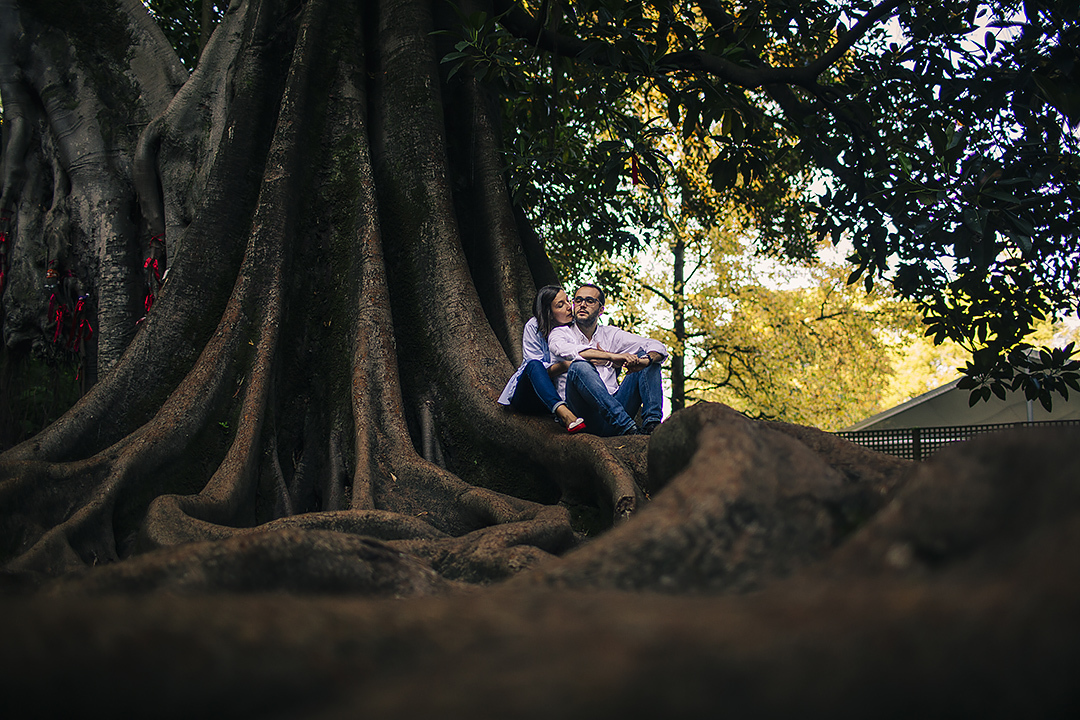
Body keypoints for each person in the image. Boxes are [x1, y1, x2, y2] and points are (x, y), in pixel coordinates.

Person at [548, 283, 666, 436]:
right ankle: (629, 429)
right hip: (583, 415)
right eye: (578, 300)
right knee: (579, 366)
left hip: (617, 404)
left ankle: (652, 426)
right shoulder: (560, 333)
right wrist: (611, 357)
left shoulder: (611, 334)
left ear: (601, 310)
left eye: (589, 301)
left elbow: (657, 346)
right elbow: (566, 350)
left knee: (648, 356)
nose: (582, 305)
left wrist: (646, 361)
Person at [498, 285, 587, 433]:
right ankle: (564, 414)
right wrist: (566, 365)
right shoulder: (534, 327)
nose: (569, 307)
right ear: (549, 313)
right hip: (530, 396)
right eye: (560, 305)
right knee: (533, 365)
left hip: (564, 393)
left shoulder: (576, 326)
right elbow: (537, 369)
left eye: (567, 301)